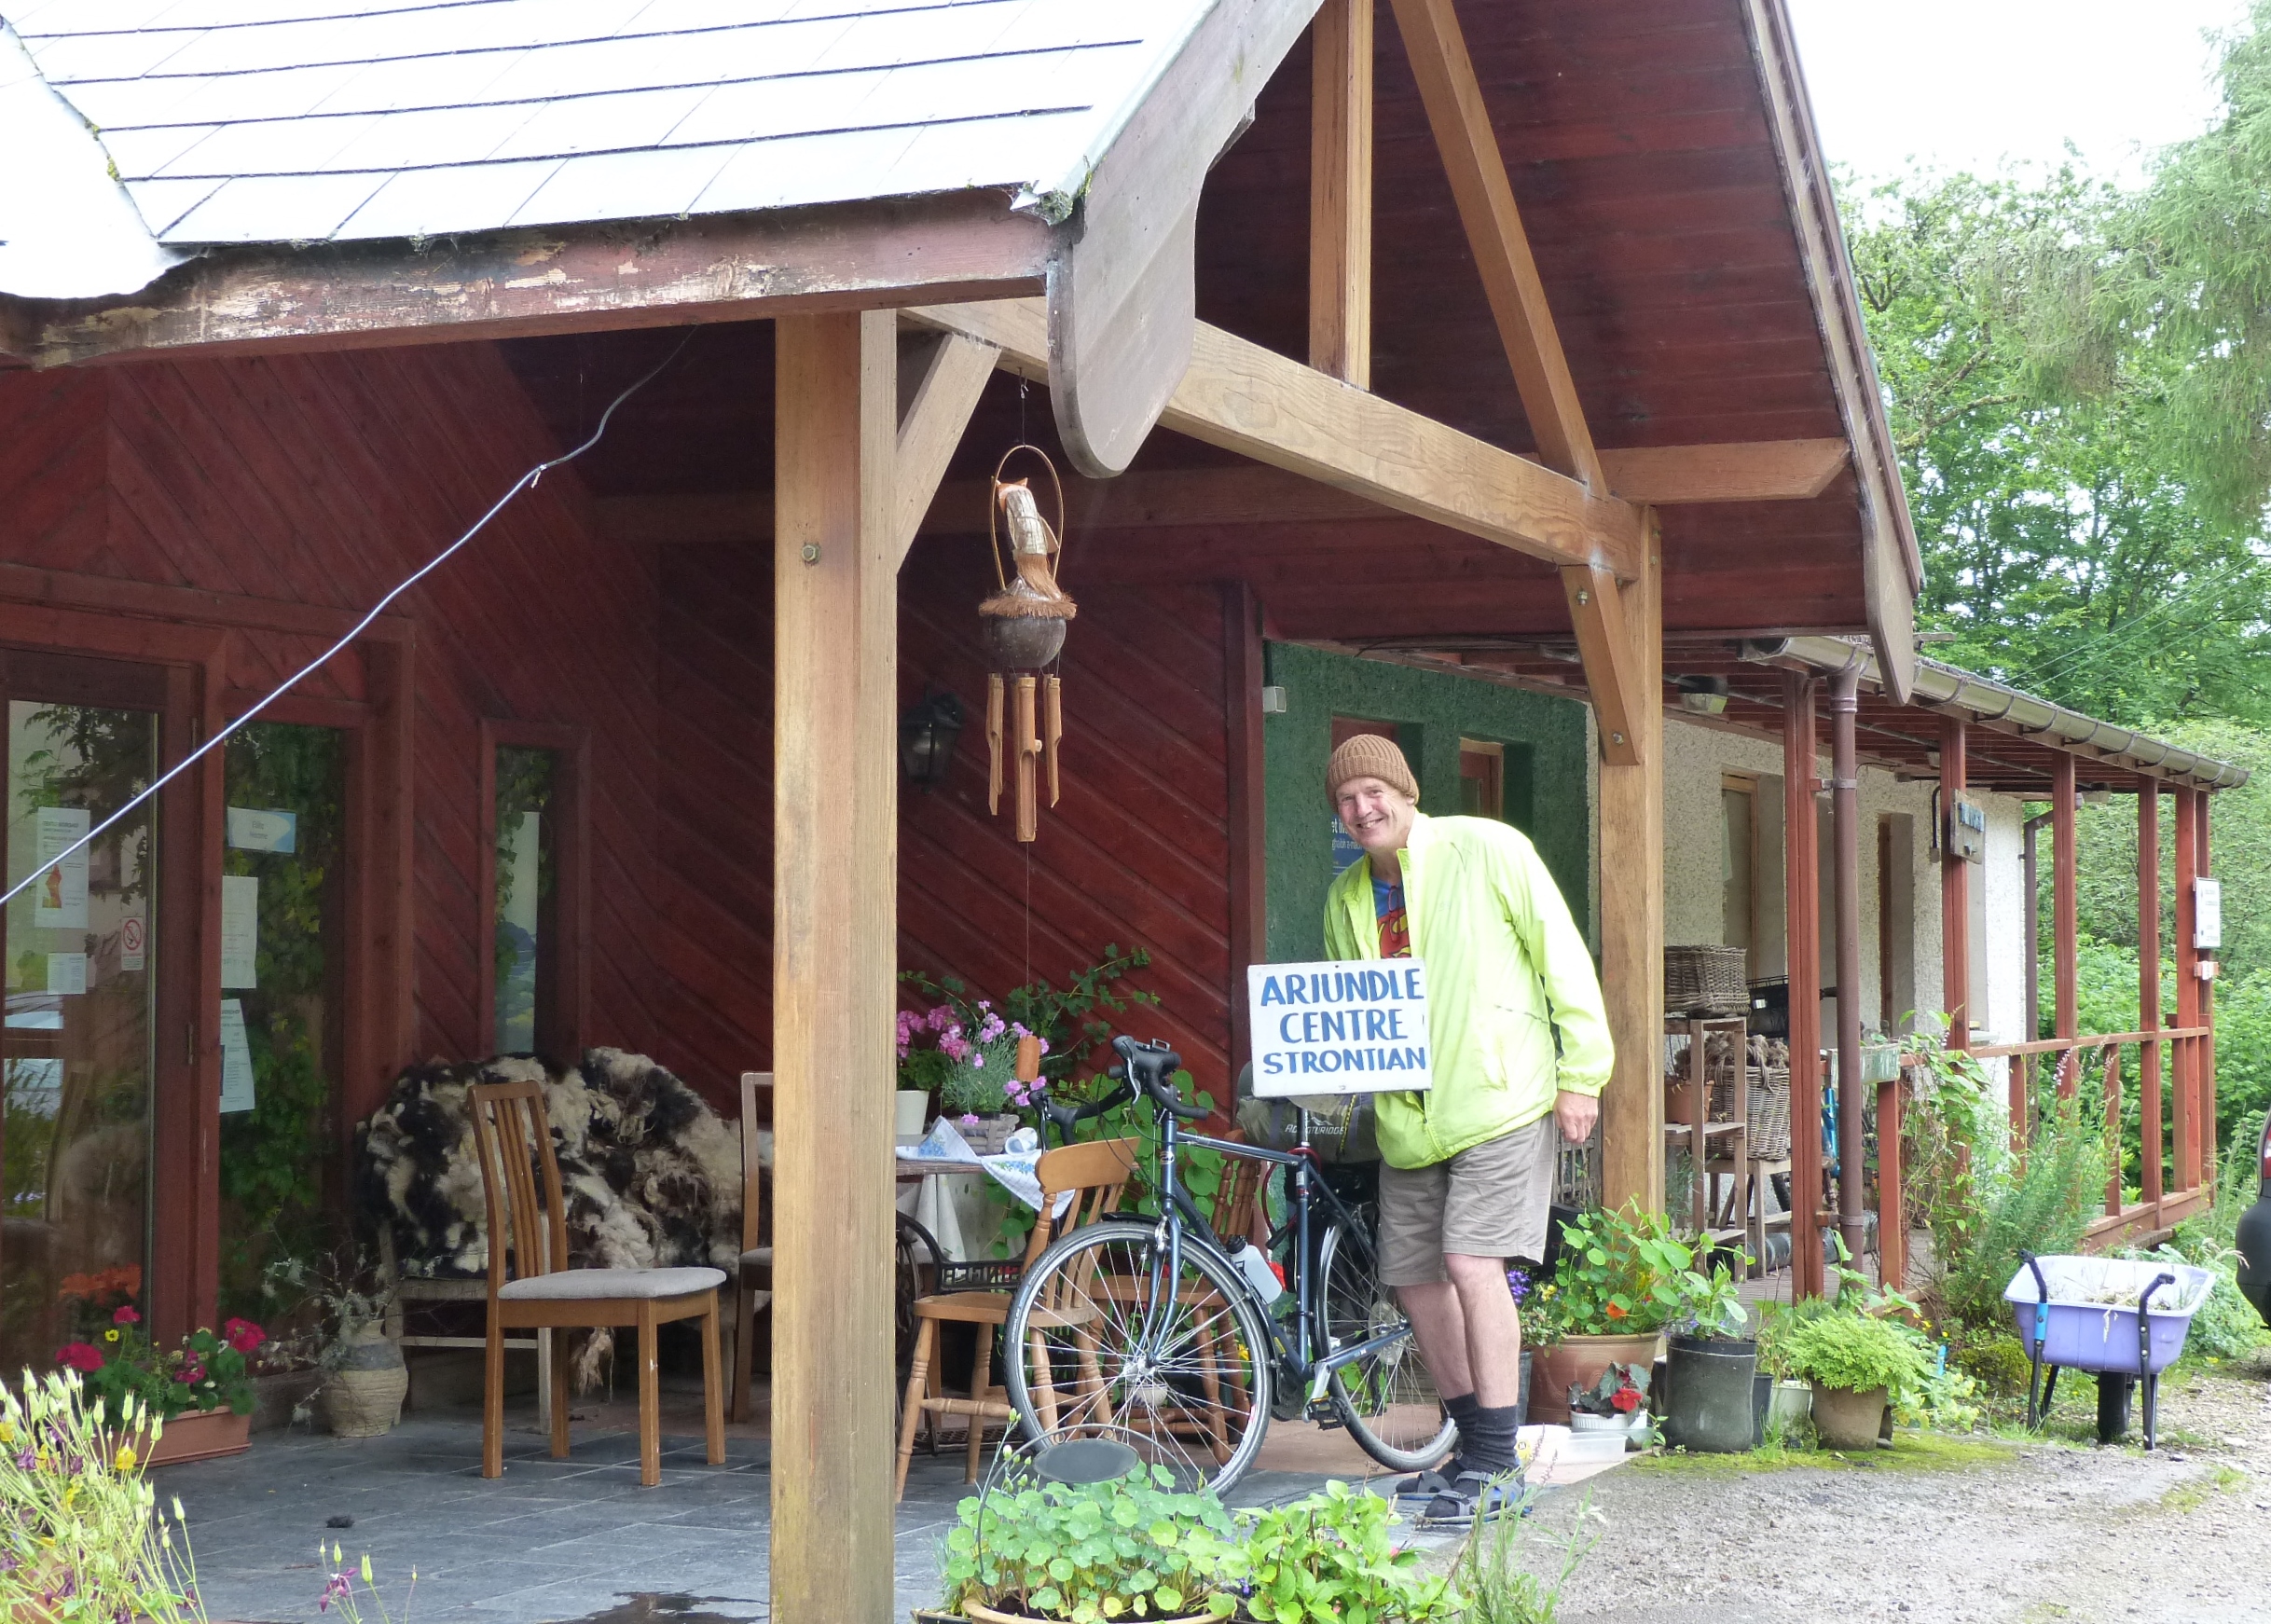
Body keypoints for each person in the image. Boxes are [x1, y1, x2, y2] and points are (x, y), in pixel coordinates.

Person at [1322, 733, 1611, 1521]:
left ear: (1407, 792)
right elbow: (1354, 1016)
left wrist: (1581, 1074)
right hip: (1409, 1122)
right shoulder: (1347, 898)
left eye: (1375, 792)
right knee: (1414, 1279)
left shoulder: (1488, 849)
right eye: (1348, 800)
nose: (1363, 808)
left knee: (1471, 1260)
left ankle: (1494, 1459)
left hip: (1499, 1098)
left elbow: (1563, 956)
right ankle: (1470, 1445)